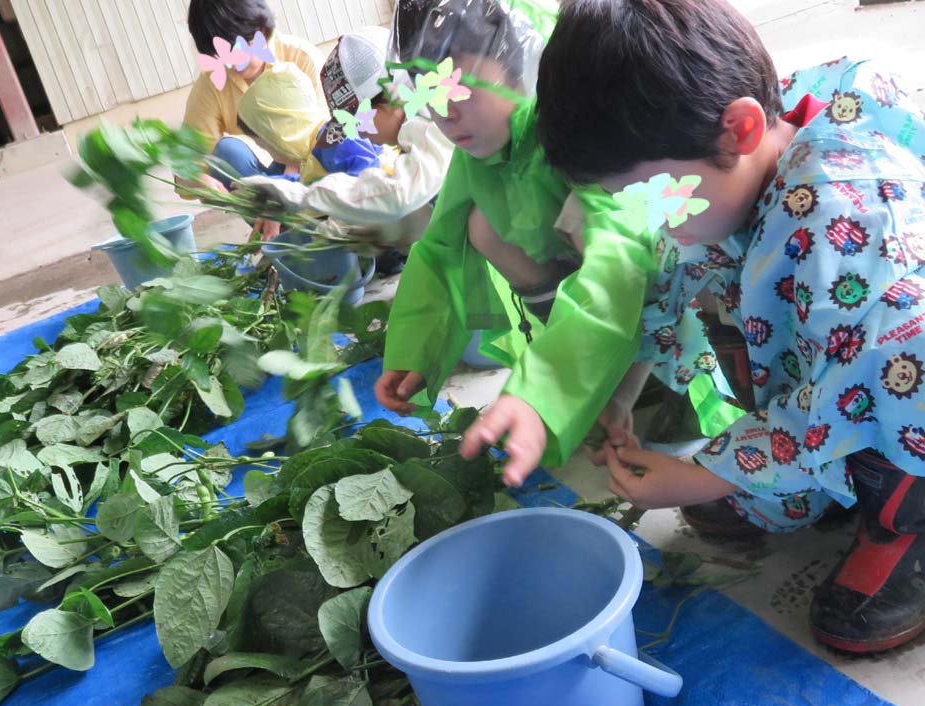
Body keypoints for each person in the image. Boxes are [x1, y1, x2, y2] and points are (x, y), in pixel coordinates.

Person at [535, 0, 925, 653]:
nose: (651, 222)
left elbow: (854, 390)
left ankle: (902, 529)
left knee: (888, 383)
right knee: (737, 298)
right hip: (839, 355)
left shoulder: (851, 229)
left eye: (651, 199)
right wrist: (621, 393)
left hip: (900, 378)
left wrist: (705, 474)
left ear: (739, 130)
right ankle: (805, 481)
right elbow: (668, 271)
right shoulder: (732, 149)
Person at [375, 0, 657, 487]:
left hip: (659, 294)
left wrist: (540, 392)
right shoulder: (477, 154)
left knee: (610, 262)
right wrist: (414, 354)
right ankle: (596, 383)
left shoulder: (567, 128)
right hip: (584, 291)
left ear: (515, 64)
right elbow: (440, 251)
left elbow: (623, 268)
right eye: (428, 94)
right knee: (477, 226)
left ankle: (634, 384)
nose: (445, 113)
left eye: (458, 85)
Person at [238, 26, 455, 252]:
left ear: (389, 97)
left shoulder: (432, 125)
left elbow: (398, 194)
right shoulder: (419, 121)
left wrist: (299, 196)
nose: (358, 133)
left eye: (356, 121)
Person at [182, 0, 325, 193]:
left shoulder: (302, 58)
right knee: (227, 154)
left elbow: (328, 139)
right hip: (273, 175)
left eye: (239, 49)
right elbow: (185, 163)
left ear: (261, 29)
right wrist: (200, 180)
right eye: (222, 55)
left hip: (322, 174)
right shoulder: (212, 84)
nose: (233, 64)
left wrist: (284, 192)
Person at [237, 63, 384, 186]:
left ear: (281, 133)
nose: (273, 157)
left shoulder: (334, 142)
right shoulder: (312, 153)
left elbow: (370, 176)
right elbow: (306, 184)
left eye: (264, 146)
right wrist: (268, 187)